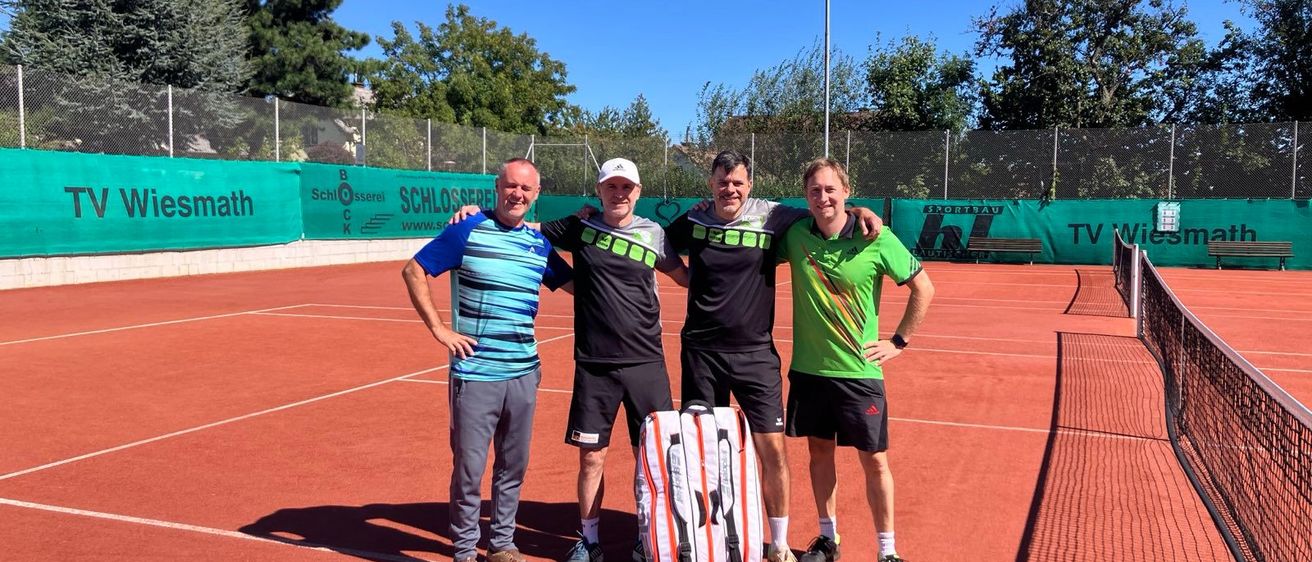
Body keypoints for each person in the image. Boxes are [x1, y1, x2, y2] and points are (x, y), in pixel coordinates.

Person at [663, 150, 883, 562]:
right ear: (710, 184)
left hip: (755, 356)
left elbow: (825, 208)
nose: (730, 189)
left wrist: (858, 208)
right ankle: (709, 537)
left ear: (750, 185)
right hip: (701, 353)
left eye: (738, 183)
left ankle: (778, 543)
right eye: (722, 182)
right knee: (705, 448)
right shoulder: (693, 219)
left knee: (772, 450)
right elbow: (654, 241)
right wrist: (684, 277)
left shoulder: (774, 216)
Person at [401, 158, 573, 562]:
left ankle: (502, 544)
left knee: (513, 467)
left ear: (536, 195)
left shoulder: (539, 245)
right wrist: (440, 330)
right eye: (511, 186)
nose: (518, 195)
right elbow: (413, 271)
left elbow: (579, 286)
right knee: (469, 471)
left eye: (526, 189)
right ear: (497, 187)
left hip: (525, 373)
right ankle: (463, 551)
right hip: (476, 375)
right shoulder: (467, 230)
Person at [777, 158, 934, 562]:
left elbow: (924, 288)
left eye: (831, 189)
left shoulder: (876, 238)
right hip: (809, 371)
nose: (823, 197)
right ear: (805, 196)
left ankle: (888, 551)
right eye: (815, 190)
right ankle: (828, 540)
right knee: (819, 455)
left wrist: (899, 341)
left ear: (847, 192)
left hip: (859, 374)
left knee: (875, 462)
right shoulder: (795, 236)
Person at [541, 158, 689, 562]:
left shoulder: (654, 233)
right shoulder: (579, 228)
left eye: (626, 187)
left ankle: (648, 537)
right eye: (612, 187)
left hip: (646, 363)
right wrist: (475, 215)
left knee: (652, 457)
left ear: (638, 192)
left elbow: (685, 276)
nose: (619, 194)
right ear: (600, 190)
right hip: (594, 365)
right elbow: (521, 230)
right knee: (592, 457)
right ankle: (589, 541)